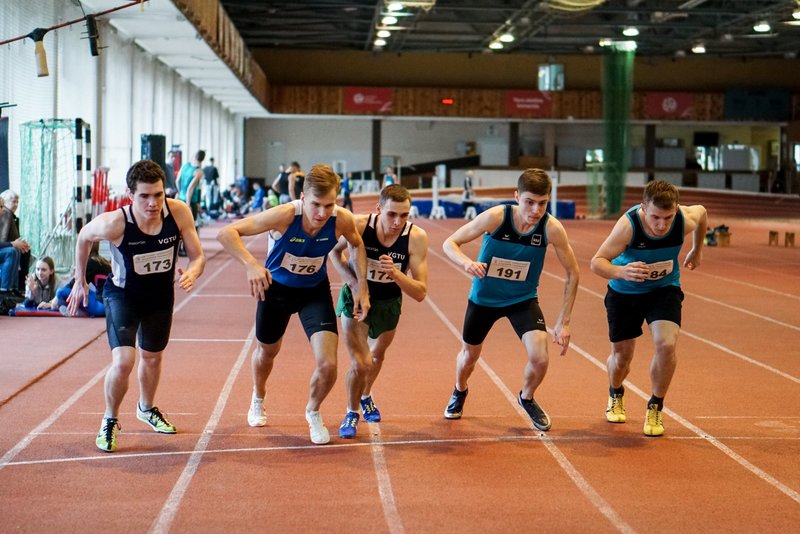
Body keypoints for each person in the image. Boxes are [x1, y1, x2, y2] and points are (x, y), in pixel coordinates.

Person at [217, 163, 369, 445]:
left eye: (329, 205)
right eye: (315, 205)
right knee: (267, 352)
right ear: (302, 198)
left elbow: (357, 244)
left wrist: (361, 286)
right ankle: (258, 397)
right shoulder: (285, 215)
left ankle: (312, 411)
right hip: (276, 291)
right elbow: (227, 233)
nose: (322, 213)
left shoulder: (342, 219)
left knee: (328, 364)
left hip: (314, 292)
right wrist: (251, 264)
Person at [66, 159, 205, 452]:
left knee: (152, 358)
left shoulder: (178, 212)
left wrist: (192, 272)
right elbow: (83, 237)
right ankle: (110, 418)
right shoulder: (115, 222)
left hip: (160, 298)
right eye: (145, 196)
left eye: (158, 195)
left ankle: (146, 408)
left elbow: (198, 256)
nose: (153, 203)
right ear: (131, 195)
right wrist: (80, 279)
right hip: (123, 296)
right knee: (124, 361)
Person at [441, 168, 579, 431]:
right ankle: (459, 390)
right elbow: (450, 243)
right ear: (517, 197)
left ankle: (526, 398)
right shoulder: (496, 217)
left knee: (540, 357)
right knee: (469, 357)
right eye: (529, 202)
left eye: (542, 203)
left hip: (522, 299)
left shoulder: (551, 229)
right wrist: (467, 263)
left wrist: (565, 321)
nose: (536, 210)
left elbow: (573, 273)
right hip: (484, 299)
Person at [590, 179, 707, 437]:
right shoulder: (628, 226)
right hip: (625, 293)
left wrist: (697, 249)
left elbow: (702, 213)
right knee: (622, 358)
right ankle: (616, 391)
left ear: (676, 209)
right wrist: (621, 271)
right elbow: (597, 262)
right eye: (655, 217)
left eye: (668, 217)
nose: (662, 225)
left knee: (666, 344)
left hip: (663, 290)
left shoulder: (683, 219)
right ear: (643, 208)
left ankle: (656, 405)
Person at [329, 184, 429, 438]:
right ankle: (351, 413)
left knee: (377, 356)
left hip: (389, 302)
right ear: (378, 209)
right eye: (392, 214)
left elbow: (420, 293)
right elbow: (334, 251)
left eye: (404, 215)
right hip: (356, 299)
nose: (398, 222)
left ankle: (366, 395)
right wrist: (353, 283)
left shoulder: (415, 237)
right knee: (360, 363)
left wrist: (395, 273)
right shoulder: (360, 225)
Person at [56, 241, 111, 317]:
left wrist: (55, 299)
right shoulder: (103, 261)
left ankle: (72, 310)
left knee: (60, 292)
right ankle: (79, 309)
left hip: (102, 306)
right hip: (110, 304)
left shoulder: (90, 263)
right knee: (84, 291)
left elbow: (72, 285)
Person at [0, 189, 31, 294]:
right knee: (13, 251)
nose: (16, 204)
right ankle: (5, 289)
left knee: (19, 251)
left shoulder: (12, 217)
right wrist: (14, 244)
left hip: (6, 247)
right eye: (13, 201)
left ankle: (15, 288)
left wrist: (20, 244)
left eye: (17, 202)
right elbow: (3, 239)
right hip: (5, 248)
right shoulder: (7, 214)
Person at [177, 150, 205, 225]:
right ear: (203, 159)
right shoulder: (199, 171)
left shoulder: (185, 165)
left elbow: (177, 181)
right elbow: (190, 188)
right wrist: (188, 204)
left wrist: (180, 193)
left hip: (181, 198)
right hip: (191, 200)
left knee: (180, 223)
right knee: (191, 225)